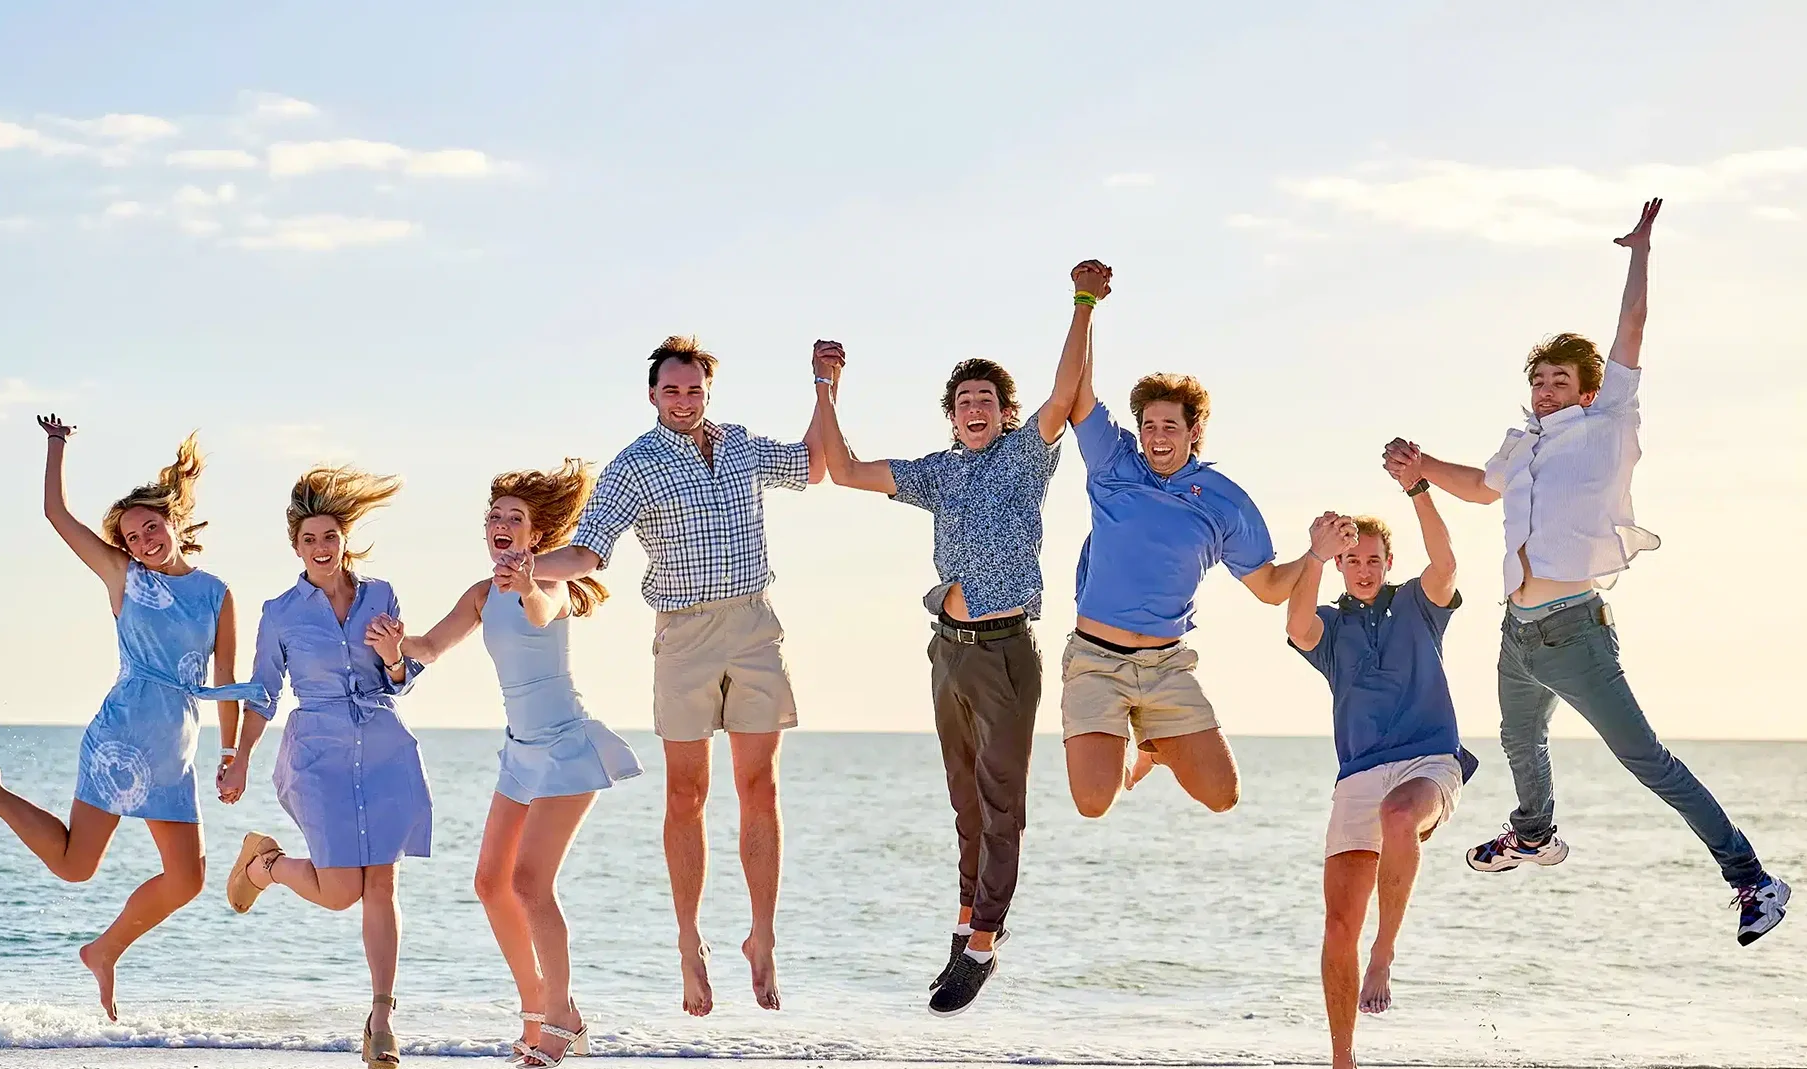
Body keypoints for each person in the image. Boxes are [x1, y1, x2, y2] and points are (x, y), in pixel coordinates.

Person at [1384, 199, 1793, 945]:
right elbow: (1480, 486)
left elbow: (1631, 333)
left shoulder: (1609, 425)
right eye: (1538, 380)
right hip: (1518, 631)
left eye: (1560, 380)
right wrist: (1420, 470)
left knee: (1648, 762)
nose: (1546, 390)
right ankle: (1534, 836)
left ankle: (1753, 879)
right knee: (1519, 742)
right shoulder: (1523, 443)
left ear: (1589, 389)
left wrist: (1639, 252)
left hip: (1576, 632)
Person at [808, 263, 1097, 1015]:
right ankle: (964, 923)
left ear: (1004, 414)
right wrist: (827, 386)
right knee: (965, 806)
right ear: (952, 416)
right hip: (947, 653)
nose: (976, 408)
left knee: (1003, 805)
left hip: (1005, 652)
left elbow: (1065, 395)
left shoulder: (1024, 456)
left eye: (987, 400)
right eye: (964, 401)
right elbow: (840, 470)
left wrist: (1083, 305)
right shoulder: (938, 473)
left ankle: (984, 942)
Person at [0, 415, 267, 1021]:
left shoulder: (216, 592)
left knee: (186, 880)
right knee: (76, 866)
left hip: (176, 746)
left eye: (150, 527)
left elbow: (225, 680)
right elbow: (57, 514)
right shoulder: (122, 576)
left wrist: (232, 755)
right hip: (123, 733)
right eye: (131, 536)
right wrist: (57, 446)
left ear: (173, 523)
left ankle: (104, 952)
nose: (143, 541)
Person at [530, 336, 828, 1016]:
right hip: (685, 634)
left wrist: (824, 386)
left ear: (708, 392)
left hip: (754, 625)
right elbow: (589, 552)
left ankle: (762, 936)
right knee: (687, 794)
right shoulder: (634, 467)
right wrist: (531, 567)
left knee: (759, 786)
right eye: (672, 390)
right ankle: (689, 942)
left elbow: (811, 466)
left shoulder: (744, 445)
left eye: (694, 389)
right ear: (652, 395)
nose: (684, 400)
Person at [395, 462, 642, 1069]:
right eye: (496, 518)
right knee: (489, 883)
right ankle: (546, 1005)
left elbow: (537, 608)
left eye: (516, 519)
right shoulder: (480, 594)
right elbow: (427, 649)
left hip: (565, 749)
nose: (502, 526)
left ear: (535, 535)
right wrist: (391, 642)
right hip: (520, 754)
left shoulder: (551, 586)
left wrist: (529, 580)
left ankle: (560, 1020)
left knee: (531, 884)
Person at [1062, 271, 1321, 819]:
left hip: (1167, 666)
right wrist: (1085, 305)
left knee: (1223, 796)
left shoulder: (1224, 501)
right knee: (1092, 803)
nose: (1157, 437)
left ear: (1193, 430)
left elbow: (1271, 589)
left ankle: (1153, 741)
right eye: (1149, 424)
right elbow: (1075, 393)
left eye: (1170, 426)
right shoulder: (1113, 462)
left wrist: (1315, 553)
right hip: (1095, 661)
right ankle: (1139, 734)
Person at [219, 467, 433, 1069]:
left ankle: (383, 1018)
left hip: (384, 744)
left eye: (330, 536)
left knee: (383, 884)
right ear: (296, 546)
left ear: (344, 540)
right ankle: (266, 864)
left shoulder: (381, 594)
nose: (321, 547)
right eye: (310, 539)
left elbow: (402, 677)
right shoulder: (280, 612)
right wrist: (239, 758)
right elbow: (262, 693)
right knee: (341, 892)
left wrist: (395, 658)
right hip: (317, 751)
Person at [1286, 469, 1474, 1069]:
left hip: (1428, 761)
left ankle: (1385, 955)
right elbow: (1298, 622)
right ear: (1340, 565)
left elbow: (1445, 560)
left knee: (1401, 816)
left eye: (1373, 559)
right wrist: (1312, 554)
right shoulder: (1332, 627)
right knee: (1338, 926)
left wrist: (1420, 489)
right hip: (1357, 775)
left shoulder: (1418, 605)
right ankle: (1343, 1067)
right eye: (1351, 560)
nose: (1363, 568)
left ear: (1388, 562)